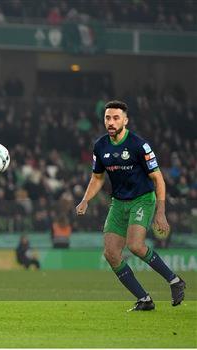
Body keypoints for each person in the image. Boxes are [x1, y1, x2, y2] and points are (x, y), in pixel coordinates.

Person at [76, 100, 185, 311]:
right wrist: (85, 200)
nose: (111, 122)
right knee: (111, 254)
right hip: (118, 202)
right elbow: (97, 178)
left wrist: (160, 213)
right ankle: (144, 300)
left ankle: (174, 281)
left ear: (125, 120)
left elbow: (158, 179)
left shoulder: (139, 145)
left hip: (142, 199)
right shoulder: (100, 145)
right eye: (108, 117)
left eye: (116, 118)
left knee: (135, 246)